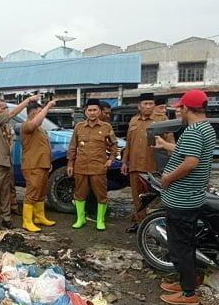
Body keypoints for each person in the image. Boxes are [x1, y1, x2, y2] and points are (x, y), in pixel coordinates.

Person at [153, 90, 216, 305]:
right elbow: (186, 151)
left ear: (187, 108)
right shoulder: (206, 128)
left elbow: (190, 162)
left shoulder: (193, 131)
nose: (179, 111)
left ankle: (188, 293)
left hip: (182, 198)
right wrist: (166, 145)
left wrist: (168, 178)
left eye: (180, 107)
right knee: (186, 242)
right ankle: (188, 280)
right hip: (191, 195)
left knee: (181, 244)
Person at [0, 94, 41, 229]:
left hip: (5, 163)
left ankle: (6, 218)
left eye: (6, 108)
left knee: (6, 193)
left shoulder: (5, 126)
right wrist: (28, 100)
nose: (5, 111)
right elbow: (13, 113)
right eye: (2, 108)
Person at [121, 93, 170, 233]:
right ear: (139, 106)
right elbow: (129, 143)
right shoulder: (133, 121)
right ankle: (140, 223)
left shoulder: (162, 119)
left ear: (154, 105)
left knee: (155, 196)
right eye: (145, 104)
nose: (148, 107)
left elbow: (170, 142)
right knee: (137, 197)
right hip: (135, 166)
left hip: (153, 166)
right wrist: (125, 162)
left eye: (150, 104)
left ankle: (156, 224)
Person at [67, 99, 118, 231]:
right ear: (85, 112)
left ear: (100, 111)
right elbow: (73, 147)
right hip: (81, 167)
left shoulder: (106, 127)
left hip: (99, 167)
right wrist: (70, 164)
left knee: (101, 194)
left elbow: (114, 145)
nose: (92, 113)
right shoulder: (79, 127)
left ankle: (100, 220)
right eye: (89, 110)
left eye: (95, 110)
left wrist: (111, 159)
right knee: (80, 193)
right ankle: (80, 218)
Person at [20, 99, 57, 232]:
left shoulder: (40, 130)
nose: (43, 115)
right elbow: (35, 122)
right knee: (32, 192)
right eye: (40, 112)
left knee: (41, 192)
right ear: (32, 114)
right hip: (32, 165)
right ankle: (27, 221)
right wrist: (48, 106)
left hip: (42, 165)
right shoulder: (26, 126)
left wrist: (48, 162)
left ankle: (39, 217)